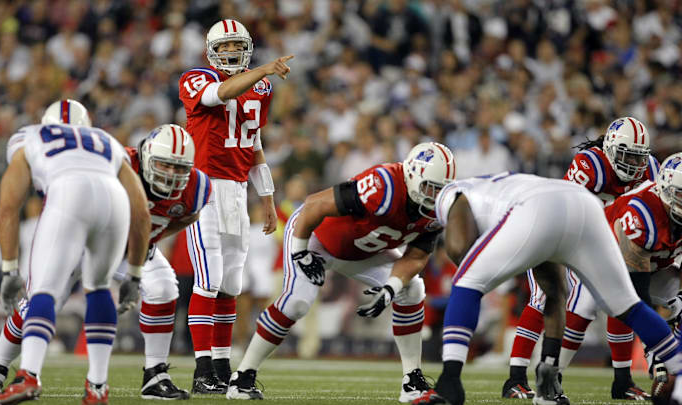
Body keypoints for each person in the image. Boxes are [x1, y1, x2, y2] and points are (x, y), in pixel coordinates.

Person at [0, 120, 210, 402]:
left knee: (163, 287)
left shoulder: (197, 187)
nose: (172, 174)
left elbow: (189, 215)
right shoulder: (119, 162)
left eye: (180, 168)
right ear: (145, 155)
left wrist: (151, 239)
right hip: (83, 238)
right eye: (164, 165)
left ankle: (155, 374)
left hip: (130, 247)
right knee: (41, 302)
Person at [413, 172, 682, 405]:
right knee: (624, 304)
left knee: (467, 281)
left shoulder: (453, 194)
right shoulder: (497, 186)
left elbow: (460, 250)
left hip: (537, 208)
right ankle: (550, 378)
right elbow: (553, 287)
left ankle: (450, 379)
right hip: (583, 204)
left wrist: (483, 270)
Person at [227, 142, 456, 402]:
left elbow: (416, 256)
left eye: (441, 189)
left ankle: (412, 382)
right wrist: (301, 252)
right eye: (430, 187)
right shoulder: (385, 185)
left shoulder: (437, 209)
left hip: (360, 251)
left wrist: (390, 288)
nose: (435, 196)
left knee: (411, 288)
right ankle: (242, 377)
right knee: (297, 303)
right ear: (413, 175)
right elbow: (314, 204)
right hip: (315, 236)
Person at [0, 99, 151, 405]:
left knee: (44, 291)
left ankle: (28, 375)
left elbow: (8, 207)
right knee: (99, 288)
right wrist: (135, 274)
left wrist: (9, 269)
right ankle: (98, 386)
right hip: (113, 200)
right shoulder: (107, 140)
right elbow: (141, 212)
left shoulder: (30, 136)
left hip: (67, 195)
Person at [503, 117, 659, 400]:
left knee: (619, 298)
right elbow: (567, 211)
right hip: (556, 229)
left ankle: (622, 380)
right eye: (627, 156)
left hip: (600, 241)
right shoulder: (592, 165)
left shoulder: (650, 170)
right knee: (545, 297)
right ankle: (516, 377)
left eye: (639, 158)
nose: (634, 165)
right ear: (611, 149)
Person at [178, 18, 291, 394]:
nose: (229, 52)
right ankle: (201, 371)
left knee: (231, 284)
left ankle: (222, 367)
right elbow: (218, 95)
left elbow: (254, 144)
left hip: (238, 190)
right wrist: (264, 69)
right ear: (212, 49)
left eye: (235, 46)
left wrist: (268, 198)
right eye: (224, 46)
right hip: (203, 187)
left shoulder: (260, 88)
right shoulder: (195, 78)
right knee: (208, 280)